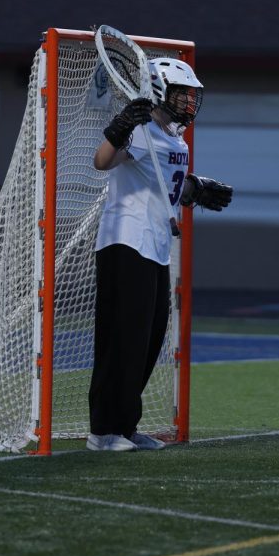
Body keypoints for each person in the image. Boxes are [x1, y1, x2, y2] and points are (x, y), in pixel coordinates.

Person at [86, 56, 233, 452]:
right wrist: (118, 130)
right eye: (182, 94)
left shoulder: (174, 137)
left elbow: (165, 186)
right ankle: (102, 431)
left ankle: (125, 424)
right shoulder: (140, 129)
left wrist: (196, 189)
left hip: (156, 245)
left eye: (191, 95)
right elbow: (102, 162)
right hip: (125, 241)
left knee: (149, 338)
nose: (189, 102)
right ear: (158, 90)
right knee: (123, 338)